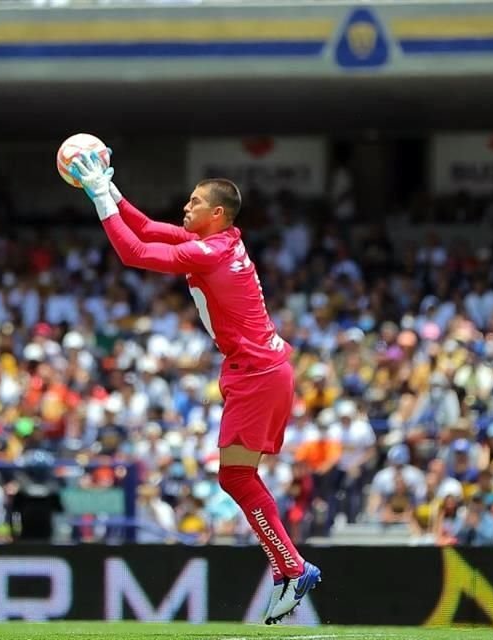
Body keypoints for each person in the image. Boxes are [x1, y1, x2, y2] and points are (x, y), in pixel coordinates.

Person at [69, 151, 320, 624]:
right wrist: (107, 187)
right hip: (262, 368)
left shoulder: (209, 251)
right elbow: (144, 227)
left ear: (217, 214)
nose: (185, 208)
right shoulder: (215, 243)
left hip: (257, 372)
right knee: (237, 478)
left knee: (236, 478)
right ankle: (289, 567)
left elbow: (134, 253)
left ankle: (292, 566)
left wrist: (100, 196)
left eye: (194, 202)